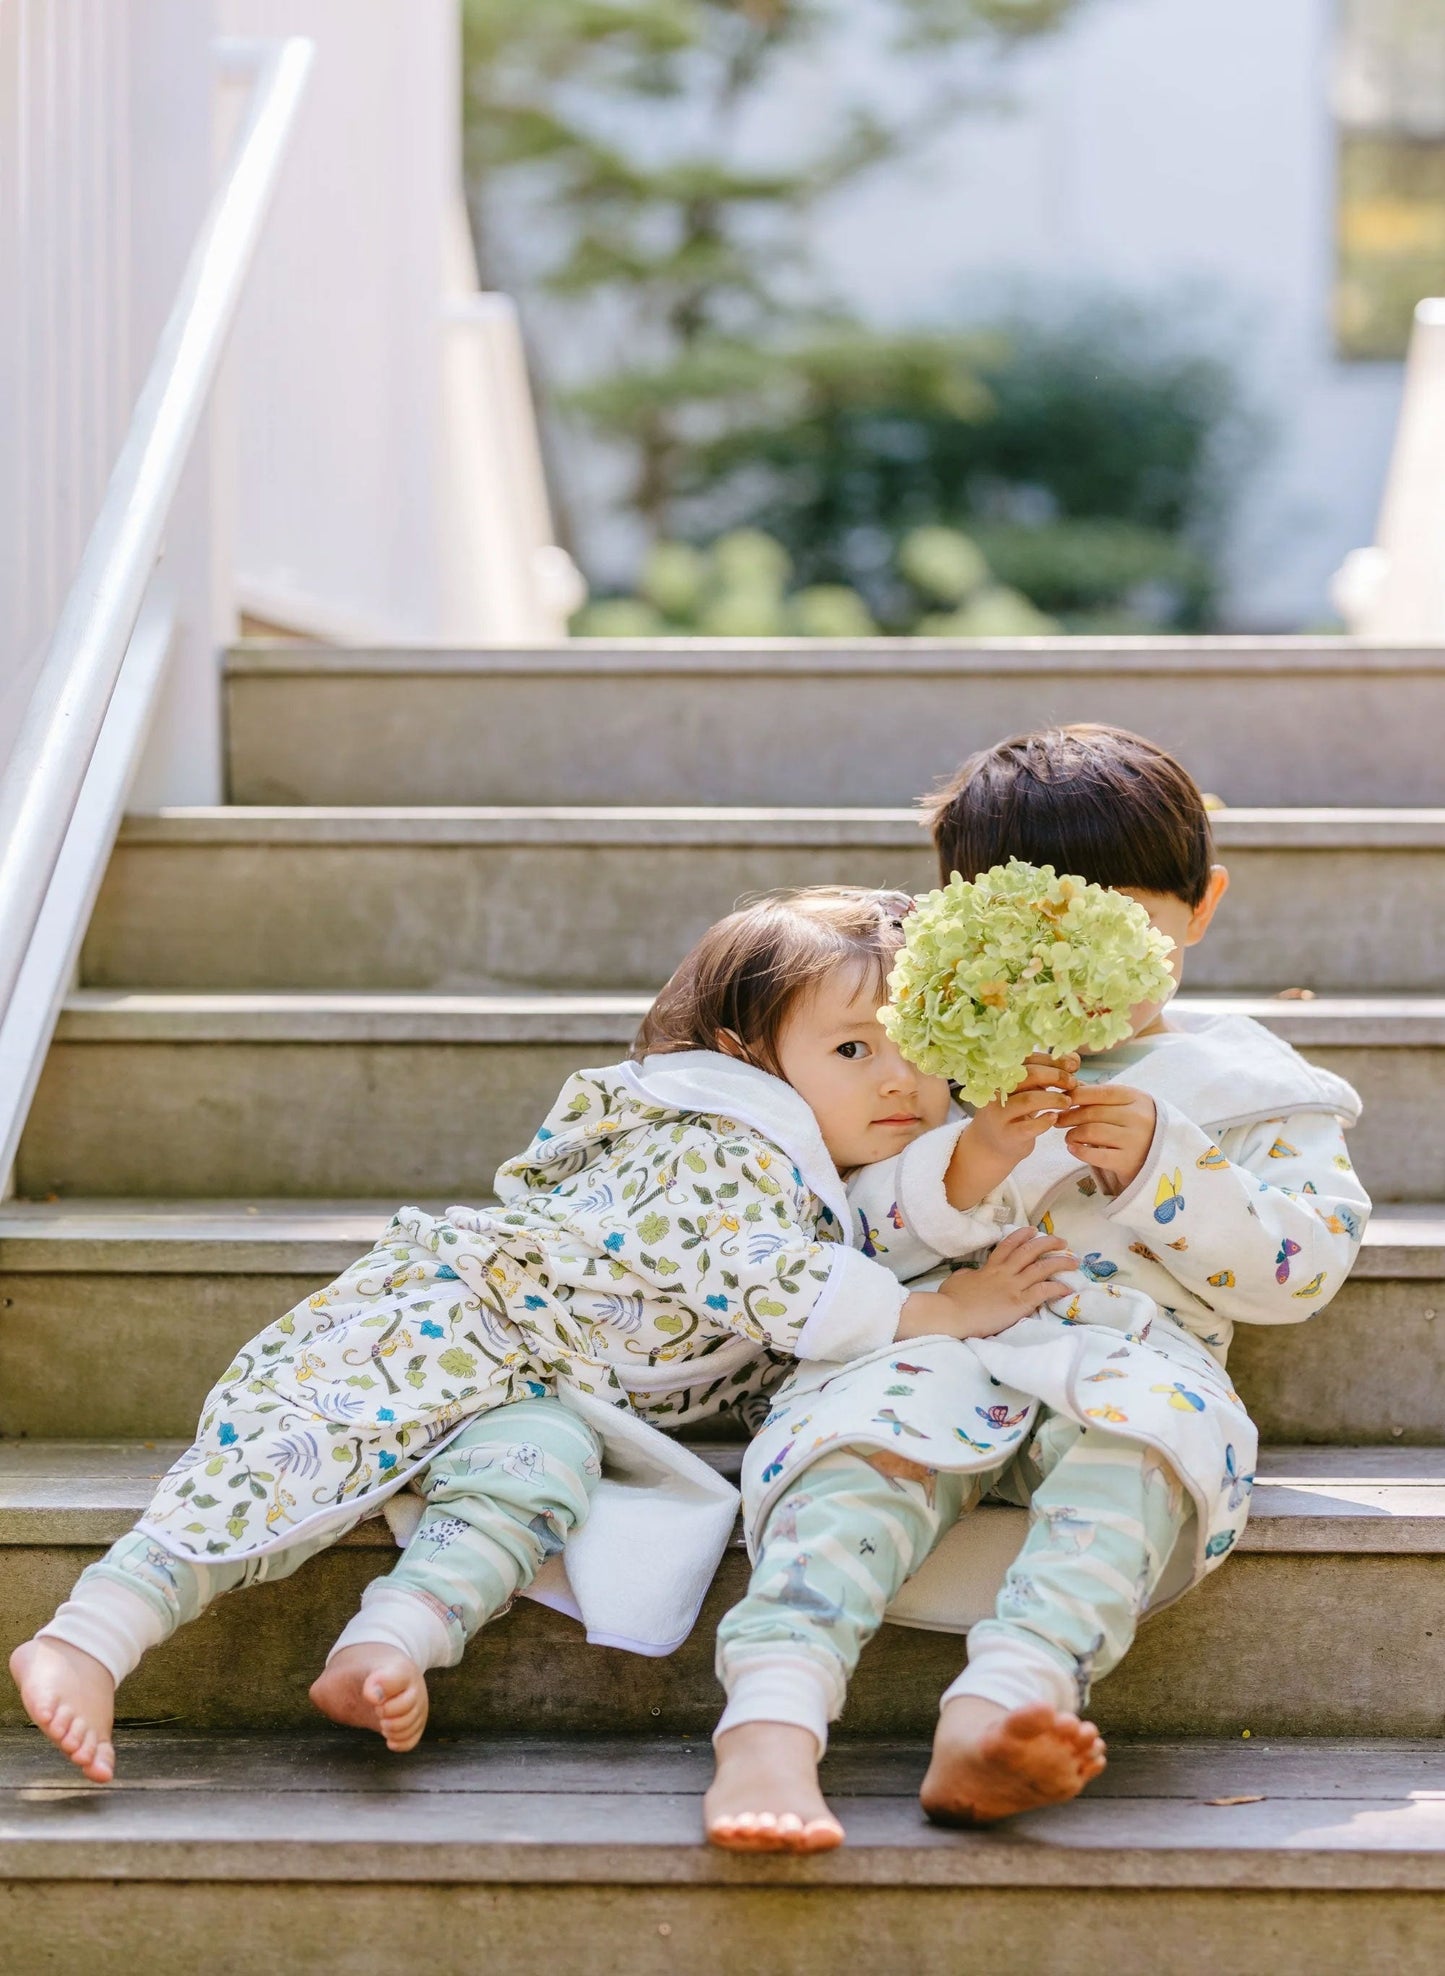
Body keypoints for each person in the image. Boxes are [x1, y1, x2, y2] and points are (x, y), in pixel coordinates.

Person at [11, 886, 1073, 1787]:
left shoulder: (807, 1162)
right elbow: (768, 1279)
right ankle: (90, 1637)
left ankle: (394, 1638)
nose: (900, 1080)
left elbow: (875, 1219)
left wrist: (978, 1161)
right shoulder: (707, 1139)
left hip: (549, 1388)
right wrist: (938, 1312)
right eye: (852, 1048)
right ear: (740, 1052)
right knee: (293, 1458)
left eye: (920, 1054)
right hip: (456, 1320)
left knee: (529, 1477)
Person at [706, 724, 1372, 1852]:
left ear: (1199, 908)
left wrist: (1170, 1159)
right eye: (1038, 926)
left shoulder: (1251, 1084)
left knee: (1139, 1450)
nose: (1082, 965)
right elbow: (836, 1230)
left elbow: (1298, 1267)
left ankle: (1007, 1698)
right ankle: (767, 1721)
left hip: (1128, 1355)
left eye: (1129, 927)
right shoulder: (923, 1050)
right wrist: (960, 1166)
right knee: (854, 1459)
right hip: (942, 1339)